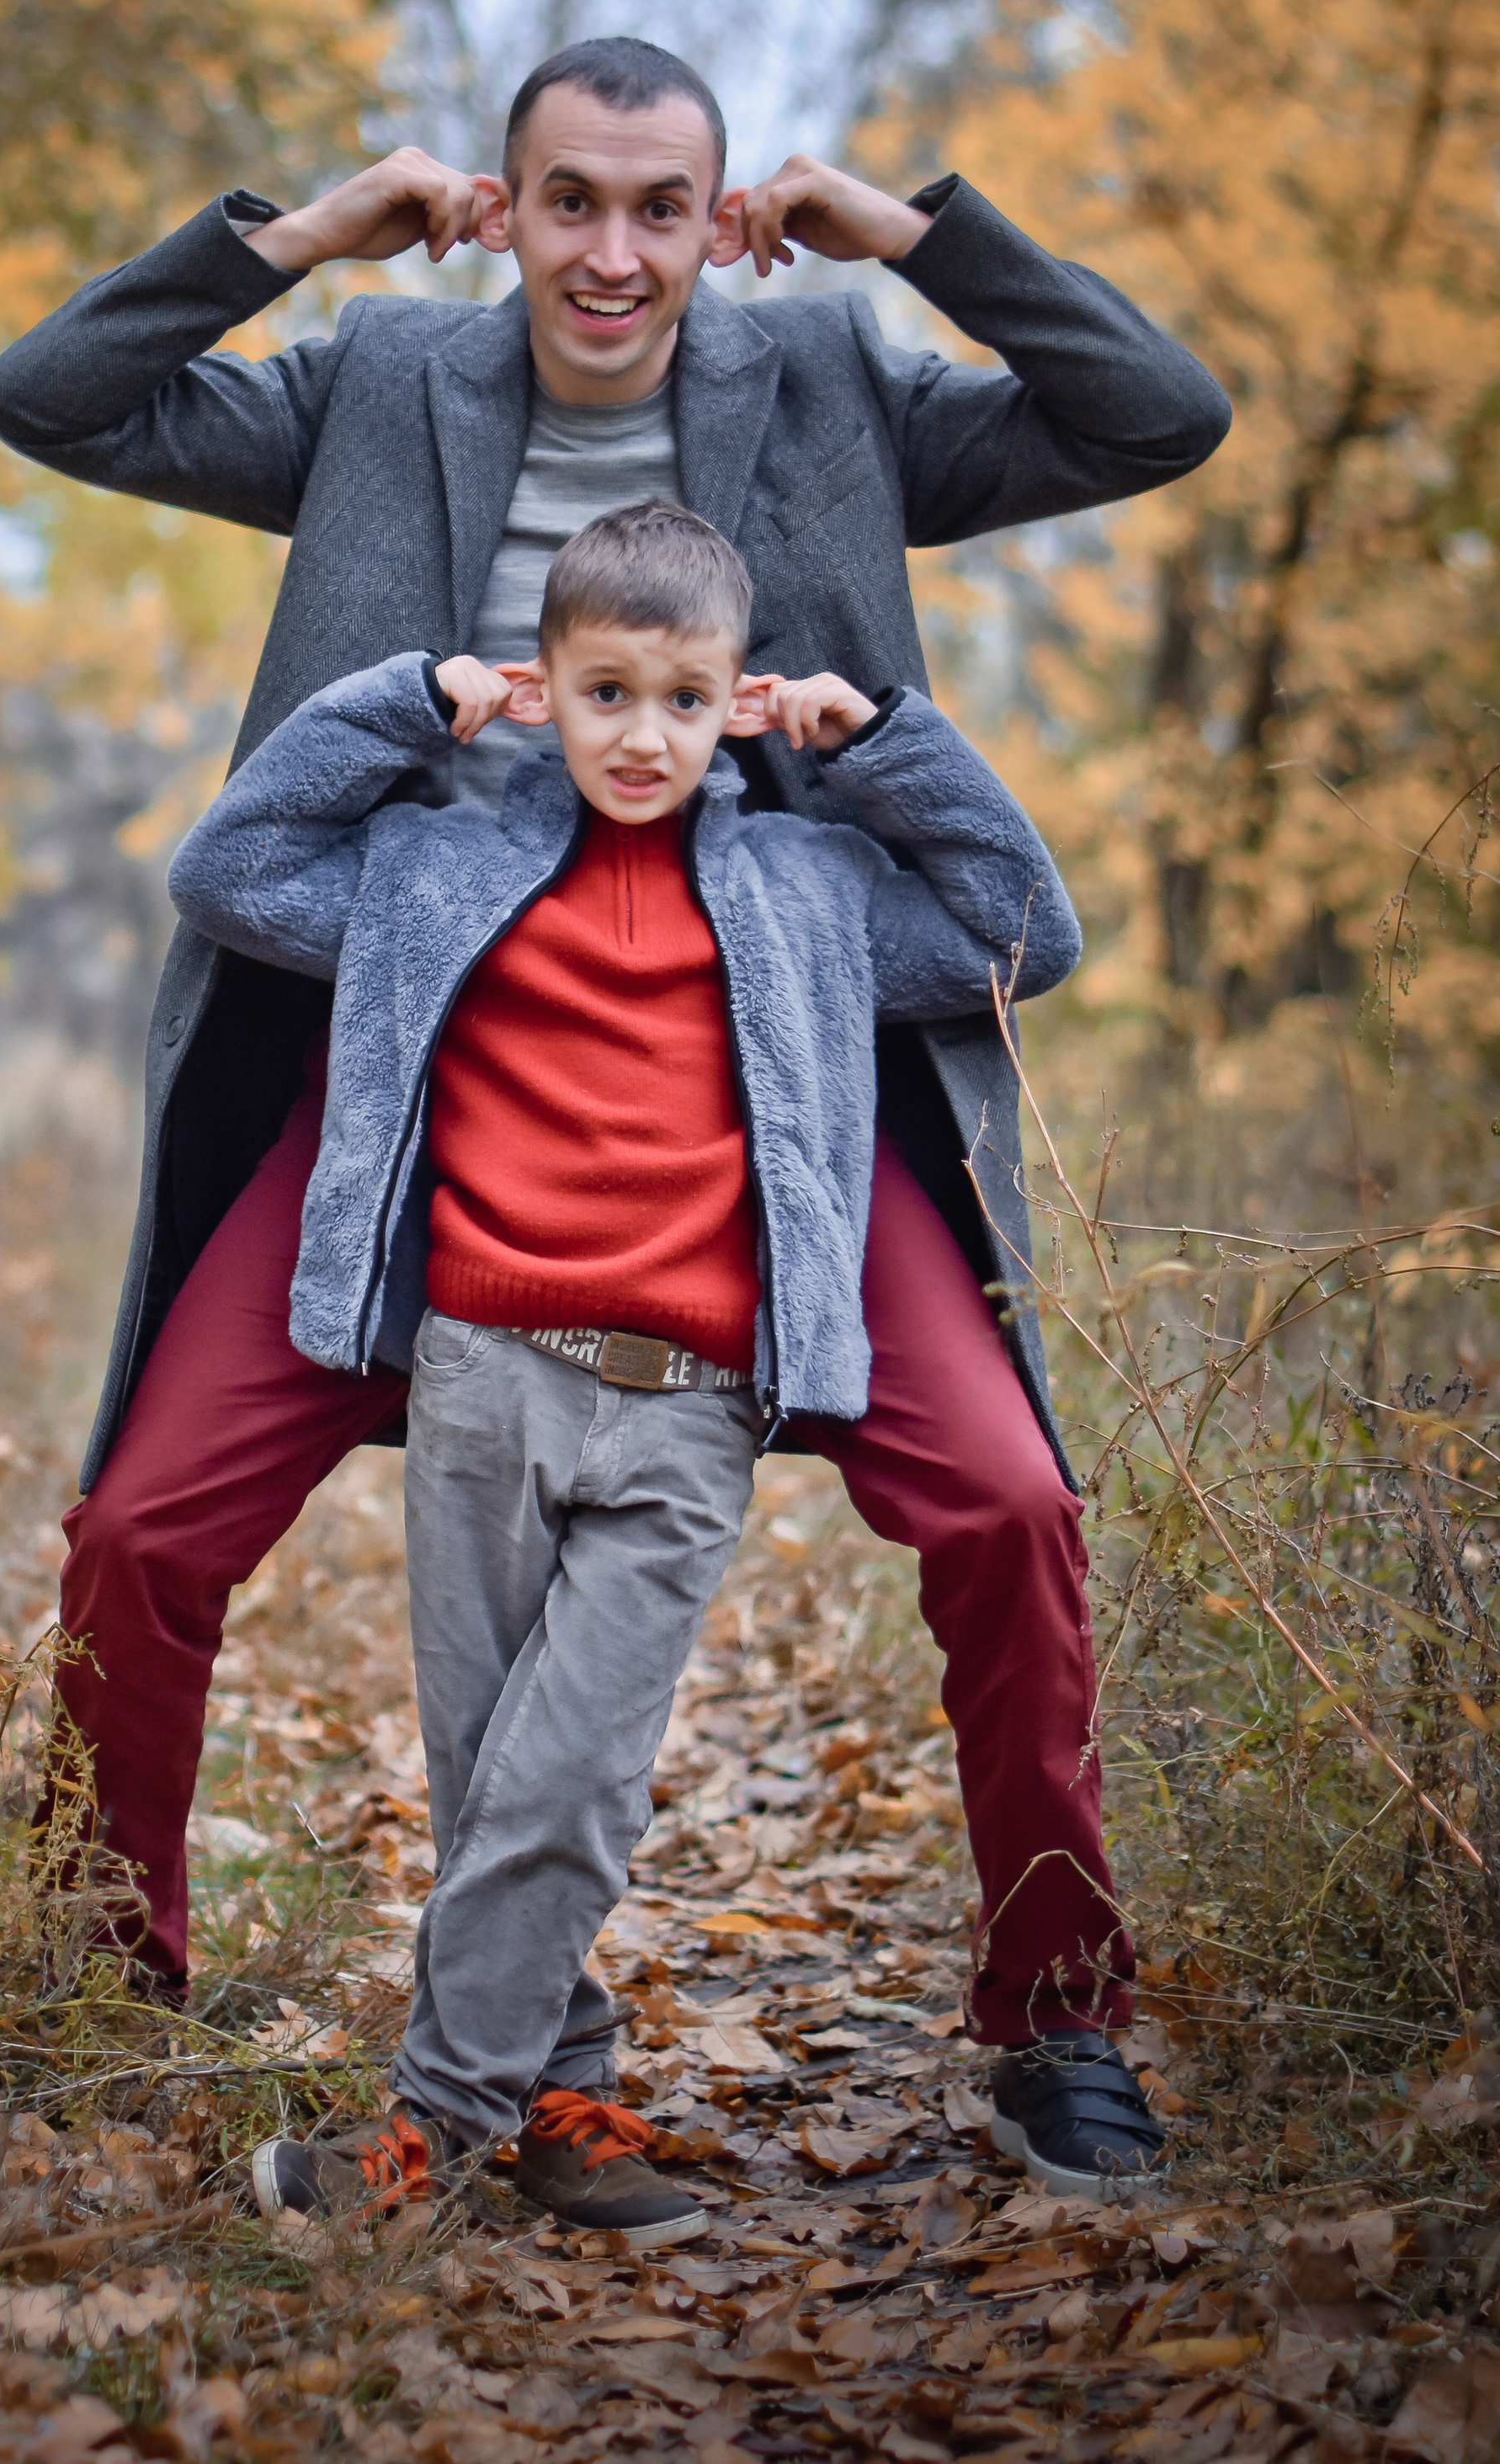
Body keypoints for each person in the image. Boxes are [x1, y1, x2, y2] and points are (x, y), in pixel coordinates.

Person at [0, 34, 1230, 2200]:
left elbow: (1157, 415)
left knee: (1010, 1510)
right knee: (140, 1532)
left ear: (722, 217)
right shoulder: (381, 385)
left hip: (765, 1058)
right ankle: (95, 2009)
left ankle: (1055, 2027)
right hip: (407, 1048)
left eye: (665, 205)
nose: (615, 252)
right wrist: (304, 233)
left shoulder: (825, 381)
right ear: (505, 202)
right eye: (569, 200)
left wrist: (911, 238)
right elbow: (51, 399)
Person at [162, 500, 1086, 2236]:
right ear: (546, 691)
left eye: (681, 697)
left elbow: (1020, 931)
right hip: (479, 1383)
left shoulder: (802, 895)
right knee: (491, 1775)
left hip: (686, 1410)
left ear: (734, 700)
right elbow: (223, 874)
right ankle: (559, 2092)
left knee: (573, 1778)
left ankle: (420, 2134)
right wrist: (398, 707)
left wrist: (886, 746)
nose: (640, 736)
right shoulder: (437, 875)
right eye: (603, 694)